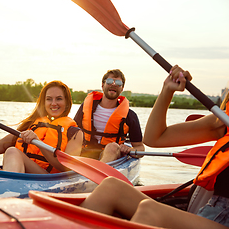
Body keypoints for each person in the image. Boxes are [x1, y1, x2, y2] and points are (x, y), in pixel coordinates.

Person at [79, 65, 229, 228]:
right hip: (209, 210)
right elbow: (154, 138)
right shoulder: (222, 121)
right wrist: (167, 90)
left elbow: (142, 144)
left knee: (149, 211)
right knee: (110, 187)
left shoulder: (129, 116)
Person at [0, 80, 83, 174]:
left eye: (59, 99)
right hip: (22, 175)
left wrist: (37, 142)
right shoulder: (32, 125)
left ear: (67, 102)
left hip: (48, 179)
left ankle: (7, 194)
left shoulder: (74, 133)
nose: (53, 103)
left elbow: (67, 169)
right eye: (49, 99)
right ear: (44, 102)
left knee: (13, 151)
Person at [74, 69, 144, 162]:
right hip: (85, 151)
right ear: (102, 86)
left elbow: (140, 149)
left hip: (111, 154)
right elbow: (72, 132)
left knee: (113, 147)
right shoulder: (85, 107)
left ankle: (98, 173)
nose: (114, 84)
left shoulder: (130, 115)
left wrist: (129, 149)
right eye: (110, 81)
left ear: (122, 89)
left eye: (118, 83)